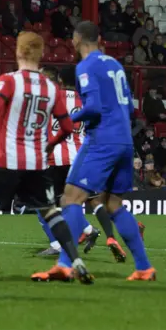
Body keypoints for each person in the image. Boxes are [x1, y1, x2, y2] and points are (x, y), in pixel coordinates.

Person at [0, 31, 93, 285]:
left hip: (8, 158)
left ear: (18, 52)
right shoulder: (52, 87)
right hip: (38, 161)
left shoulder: (9, 80)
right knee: (51, 211)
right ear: (41, 55)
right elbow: (67, 128)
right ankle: (77, 262)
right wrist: (49, 146)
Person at [37, 21, 155, 282]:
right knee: (113, 204)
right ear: (100, 38)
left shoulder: (86, 66)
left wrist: (73, 117)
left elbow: (93, 107)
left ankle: (65, 265)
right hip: (125, 141)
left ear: (76, 40)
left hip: (102, 139)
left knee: (71, 198)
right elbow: (130, 108)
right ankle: (144, 267)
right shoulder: (115, 66)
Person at [35, 66, 126, 262]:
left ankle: (63, 243)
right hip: (82, 157)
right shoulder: (88, 100)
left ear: (59, 79)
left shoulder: (51, 97)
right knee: (93, 200)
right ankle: (108, 236)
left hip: (55, 159)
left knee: (51, 203)